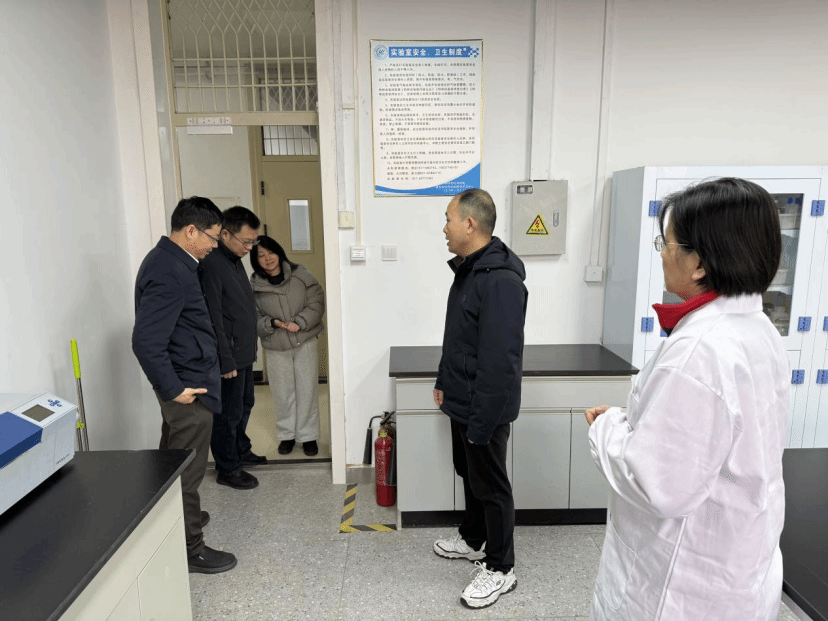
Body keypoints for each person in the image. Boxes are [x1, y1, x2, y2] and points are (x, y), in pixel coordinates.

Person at [585, 178, 789, 620]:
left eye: (668, 243)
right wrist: (633, 420)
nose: (662, 253)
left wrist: (605, 429)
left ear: (698, 264)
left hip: (681, 584)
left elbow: (656, 484)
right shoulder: (757, 330)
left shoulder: (700, 350)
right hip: (738, 561)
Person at [431, 188, 527, 609]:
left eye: (448, 219)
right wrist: (444, 379)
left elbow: (501, 361)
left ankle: (501, 568)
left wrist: (483, 420)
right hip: (461, 396)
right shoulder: (469, 271)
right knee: (469, 475)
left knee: (491, 486)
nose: (444, 228)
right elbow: (458, 337)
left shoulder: (501, 280)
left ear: (469, 224)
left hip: (483, 405)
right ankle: (473, 539)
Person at [132, 196, 237, 574]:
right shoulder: (169, 270)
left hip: (187, 379)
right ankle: (191, 549)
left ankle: (176, 518)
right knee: (187, 472)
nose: (214, 245)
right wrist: (174, 390)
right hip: (186, 389)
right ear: (191, 231)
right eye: (212, 237)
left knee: (173, 461)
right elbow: (146, 341)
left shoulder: (172, 261)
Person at [200, 206, 266, 491]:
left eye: (253, 241)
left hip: (243, 352)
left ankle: (241, 449)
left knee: (245, 404)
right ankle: (228, 468)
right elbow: (213, 315)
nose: (250, 248)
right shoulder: (212, 264)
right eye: (246, 241)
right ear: (225, 234)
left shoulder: (235, 260)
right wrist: (224, 360)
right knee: (227, 413)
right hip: (229, 357)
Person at [250, 235, 325, 457]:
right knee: (282, 393)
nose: (268, 258)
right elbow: (252, 316)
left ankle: (308, 436)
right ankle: (287, 435)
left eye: (271, 252)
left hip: (304, 340)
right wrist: (271, 323)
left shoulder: (301, 275)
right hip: (275, 345)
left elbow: (317, 302)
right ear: (255, 260)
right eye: (261, 255)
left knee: (307, 390)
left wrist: (299, 322)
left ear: (279, 252)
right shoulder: (254, 286)